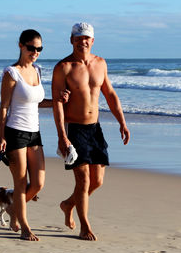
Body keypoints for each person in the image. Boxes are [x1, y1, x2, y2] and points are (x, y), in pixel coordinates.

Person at [52, 22, 130, 241]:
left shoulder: (100, 63)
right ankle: (84, 226)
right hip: (74, 128)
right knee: (83, 181)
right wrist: (62, 136)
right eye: (78, 38)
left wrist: (122, 122)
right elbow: (58, 104)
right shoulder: (63, 67)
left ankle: (68, 204)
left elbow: (110, 94)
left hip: (95, 128)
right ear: (71, 40)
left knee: (97, 181)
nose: (82, 42)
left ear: (92, 41)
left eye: (86, 38)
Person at [0, 29, 62, 241]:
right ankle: (24, 226)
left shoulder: (37, 70)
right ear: (21, 46)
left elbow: (36, 101)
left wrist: (57, 101)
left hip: (35, 133)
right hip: (15, 132)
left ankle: (13, 211)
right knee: (21, 183)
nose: (35, 52)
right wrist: (1, 136)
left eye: (39, 49)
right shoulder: (11, 73)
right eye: (31, 48)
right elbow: (4, 107)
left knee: (38, 183)